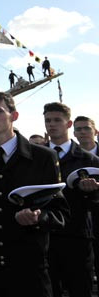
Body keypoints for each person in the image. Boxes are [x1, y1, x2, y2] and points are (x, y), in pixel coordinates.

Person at [0, 92, 69, 297]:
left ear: (14, 116)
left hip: (28, 266)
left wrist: (38, 217)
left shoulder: (43, 157)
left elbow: (60, 212)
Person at [43, 104, 99, 297]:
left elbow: (96, 203)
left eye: (57, 120)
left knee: (80, 288)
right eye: (48, 120)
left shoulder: (88, 160)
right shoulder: (35, 156)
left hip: (77, 236)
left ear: (68, 124)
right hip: (44, 235)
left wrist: (91, 192)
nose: (52, 125)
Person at [73, 116, 99, 286]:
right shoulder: (69, 157)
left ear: (95, 131)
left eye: (86, 128)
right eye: (78, 129)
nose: (83, 132)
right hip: (78, 223)